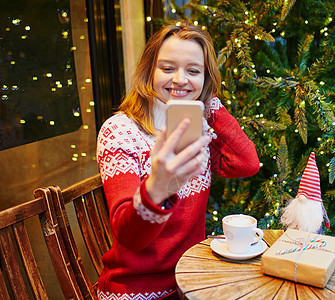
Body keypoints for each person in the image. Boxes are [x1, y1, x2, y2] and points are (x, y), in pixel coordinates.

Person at [96, 22, 260, 300]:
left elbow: (247, 163)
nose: (181, 80)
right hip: (139, 290)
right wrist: (159, 188)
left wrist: (209, 104)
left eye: (194, 71)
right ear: (149, 71)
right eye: (168, 68)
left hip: (192, 278)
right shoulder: (120, 132)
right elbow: (131, 238)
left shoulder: (199, 130)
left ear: (206, 79)